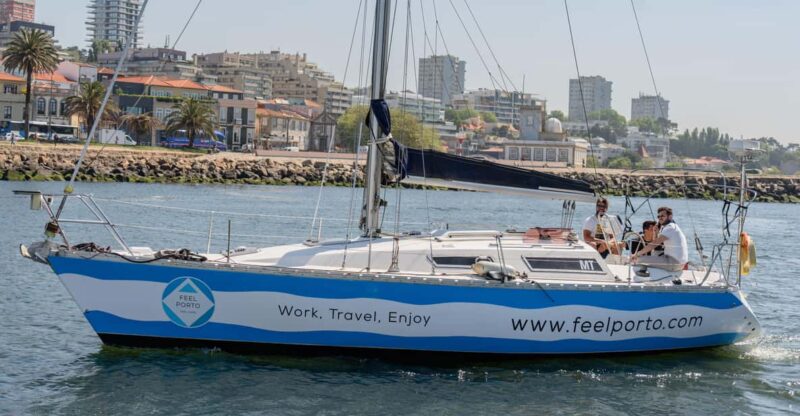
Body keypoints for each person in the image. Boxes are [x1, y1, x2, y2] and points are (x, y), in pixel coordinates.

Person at [632, 206, 688, 271]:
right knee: (655, 253)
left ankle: (643, 277)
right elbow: (657, 247)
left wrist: (637, 254)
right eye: (658, 216)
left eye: (662, 216)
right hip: (679, 263)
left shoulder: (670, 228)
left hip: (674, 263)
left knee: (638, 260)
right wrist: (655, 233)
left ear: (670, 217)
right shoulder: (673, 227)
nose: (660, 218)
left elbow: (654, 244)